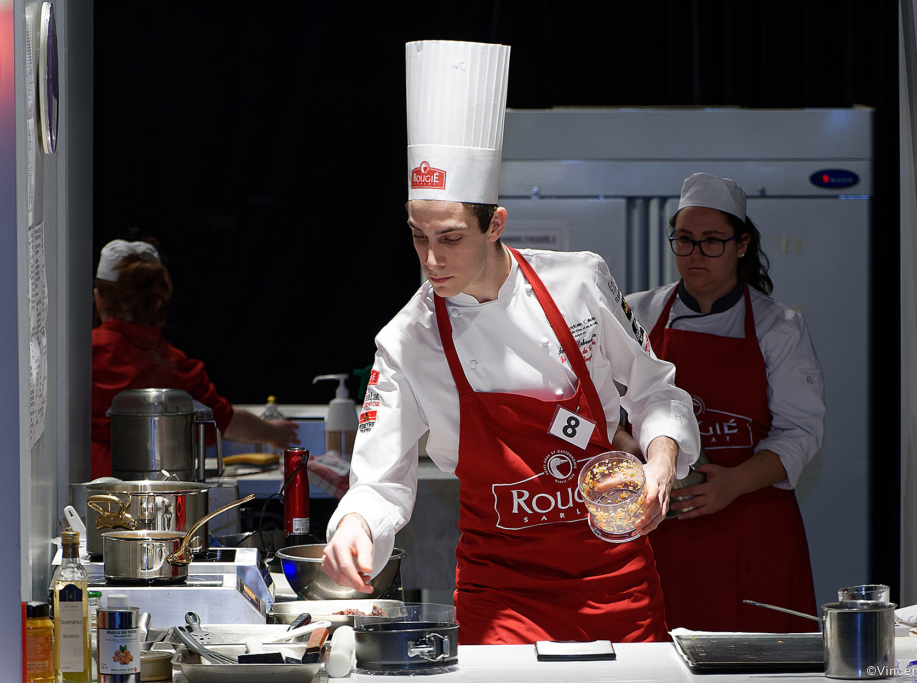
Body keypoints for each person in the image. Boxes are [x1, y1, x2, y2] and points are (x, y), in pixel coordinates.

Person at [321, 40, 701, 645]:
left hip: (613, 577)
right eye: (418, 237)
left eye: (449, 238)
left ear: (494, 223)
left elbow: (655, 387)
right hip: (500, 594)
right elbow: (380, 478)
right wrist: (355, 526)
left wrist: (660, 459)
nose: (431, 260)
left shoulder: (578, 281)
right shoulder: (407, 338)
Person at [624, 173, 825, 633]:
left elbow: (801, 433)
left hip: (751, 523)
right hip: (662, 524)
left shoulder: (780, 328)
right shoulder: (638, 315)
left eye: (712, 242)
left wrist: (731, 484)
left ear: (741, 245)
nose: (695, 255)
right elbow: (606, 411)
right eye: (685, 241)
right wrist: (643, 451)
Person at [91, 239, 298, 478]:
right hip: (157, 492)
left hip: (84, 496)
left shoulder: (80, 356)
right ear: (157, 301)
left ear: (99, 296)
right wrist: (273, 433)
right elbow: (225, 421)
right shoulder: (173, 365)